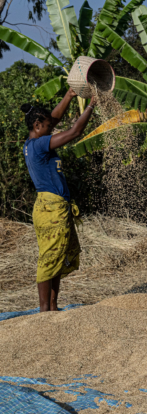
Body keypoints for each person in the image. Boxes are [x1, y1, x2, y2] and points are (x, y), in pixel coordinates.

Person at [22, 89, 96, 312]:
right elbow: (75, 131)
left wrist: (70, 95)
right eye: (48, 127)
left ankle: (52, 307)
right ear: (37, 126)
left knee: (56, 255)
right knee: (49, 258)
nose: (52, 128)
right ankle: (44, 309)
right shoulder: (39, 145)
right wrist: (92, 105)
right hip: (51, 209)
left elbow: (53, 119)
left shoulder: (33, 141)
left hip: (51, 207)